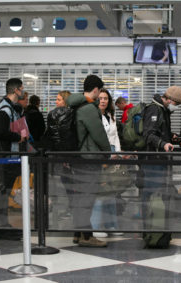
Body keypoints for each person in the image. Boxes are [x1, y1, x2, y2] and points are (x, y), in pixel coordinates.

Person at [66, 74, 112, 247]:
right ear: (95, 90)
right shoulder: (88, 109)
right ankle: (86, 236)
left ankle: (79, 234)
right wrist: (107, 152)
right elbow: (98, 133)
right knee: (87, 198)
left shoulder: (76, 105)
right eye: (99, 91)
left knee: (80, 197)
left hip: (78, 158)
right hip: (88, 159)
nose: (100, 94)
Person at [141, 86, 181, 238]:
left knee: (158, 197)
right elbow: (148, 134)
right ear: (170, 100)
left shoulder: (163, 110)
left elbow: (157, 131)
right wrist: (163, 144)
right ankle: (151, 232)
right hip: (153, 161)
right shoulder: (154, 109)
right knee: (152, 196)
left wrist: (169, 136)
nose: (175, 107)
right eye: (176, 104)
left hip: (159, 160)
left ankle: (157, 231)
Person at [0, 78, 27, 240]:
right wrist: (18, 137)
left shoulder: (12, 109)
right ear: (15, 91)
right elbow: (1, 132)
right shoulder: (5, 110)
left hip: (11, 156)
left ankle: (5, 224)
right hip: (6, 157)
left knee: (6, 191)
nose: (23, 91)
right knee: (3, 191)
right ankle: (2, 225)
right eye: (21, 88)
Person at [91, 88, 123, 238]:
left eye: (106, 98)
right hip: (100, 156)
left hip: (112, 155)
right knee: (99, 193)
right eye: (101, 98)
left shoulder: (111, 116)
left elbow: (115, 136)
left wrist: (117, 153)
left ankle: (112, 225)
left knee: (111, 193)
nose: (103, 100)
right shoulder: (93, 116)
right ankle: (95, 226)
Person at [45, 90, 76, 219]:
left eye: (59, 99)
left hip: (65, 155)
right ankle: (72, 208)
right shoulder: (72, 114)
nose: (56, 102)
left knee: (69, 183)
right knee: (67, 183)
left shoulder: (56, 115)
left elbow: (59, 137)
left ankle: (73, 208)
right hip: (67, 155)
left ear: (65, 101)